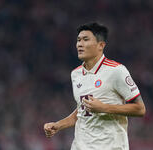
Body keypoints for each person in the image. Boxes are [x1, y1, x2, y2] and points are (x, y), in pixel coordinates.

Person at [44, 22, 146, 150]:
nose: (80, 44)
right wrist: (58, 125)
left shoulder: (116, 71)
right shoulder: (76, 74)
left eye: (86, 39)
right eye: (78, 40)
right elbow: (82, 111)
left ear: (100, 45)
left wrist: (104, 108)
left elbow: (140, 109)